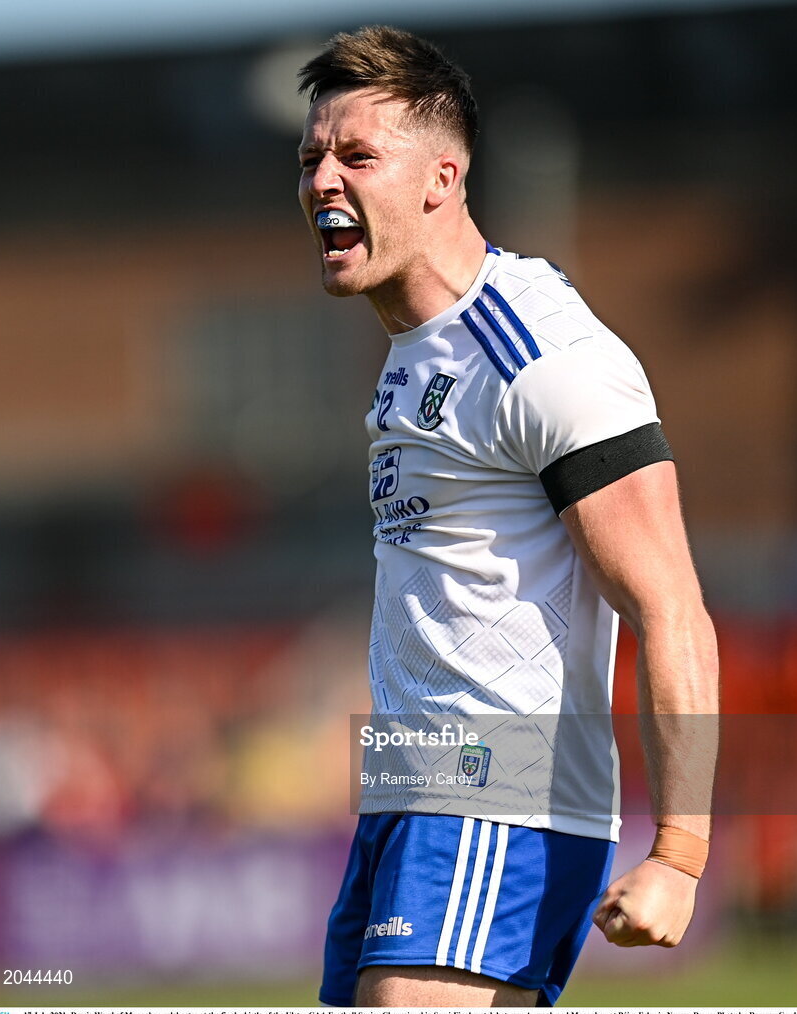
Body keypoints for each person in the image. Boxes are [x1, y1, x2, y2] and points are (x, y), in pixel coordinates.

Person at [296, 25, 718, 1007]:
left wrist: (683, 854)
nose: (322, 180)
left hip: (502, 787)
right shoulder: (411, 352)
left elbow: (672, 608)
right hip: (412, 787)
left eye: (357, 157)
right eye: (312, 156)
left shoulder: (540, 356)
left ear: (444, 177)